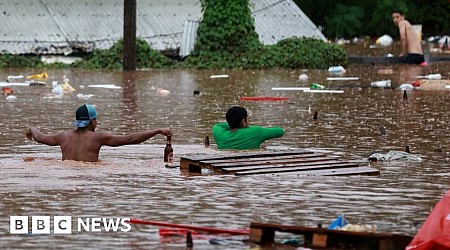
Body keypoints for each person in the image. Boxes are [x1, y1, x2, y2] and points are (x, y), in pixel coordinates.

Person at [26, 104, 172, 162]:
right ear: (91, 121)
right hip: (90, 177)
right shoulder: (98, 138)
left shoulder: (63, 137)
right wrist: (157, 131)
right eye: (95, 119)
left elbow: (40, 137)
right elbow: (130, 139)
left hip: (67, 174)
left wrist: (31, 129)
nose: (96, 122)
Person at [212, 106, 284, 150]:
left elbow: (217, 125)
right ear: (243, 121)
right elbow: (280, 131)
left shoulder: (220, 135)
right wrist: (248, 127)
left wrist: (232, 124)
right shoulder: (255, 132)